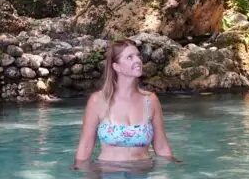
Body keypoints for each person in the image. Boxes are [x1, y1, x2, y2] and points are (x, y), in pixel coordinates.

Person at [73, 39, 177, 168]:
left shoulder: (151, 100)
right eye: (130, 57)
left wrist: (172, 173)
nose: (137, 60)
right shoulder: (98, 101)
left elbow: (161, 146)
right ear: (116, 67)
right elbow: (86, 146)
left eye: (138, 56)